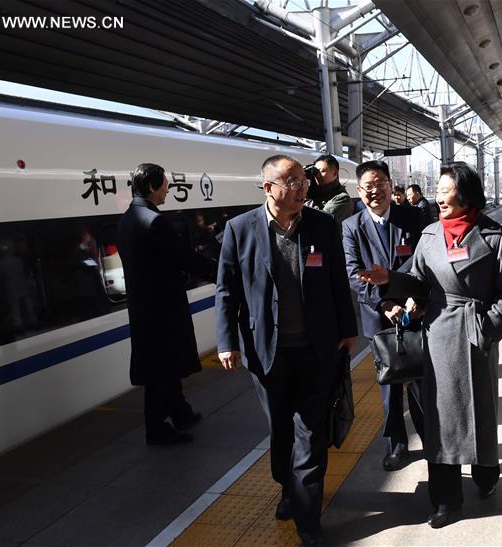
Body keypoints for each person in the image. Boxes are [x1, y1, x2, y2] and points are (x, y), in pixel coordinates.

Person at [356, 162, 502, 529]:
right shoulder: (430, 234)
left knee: (479, 410)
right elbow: (417, 281)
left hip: (475, 335)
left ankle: (485, 472)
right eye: (439, 190)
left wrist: (484, 330)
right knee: (440, 419)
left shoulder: (495, 236)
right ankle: (445, 498)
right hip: (438, 336)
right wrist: (391, 280)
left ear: (464, 193)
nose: (438, 197)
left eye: (445, 190)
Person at [215, 155, 357, 546]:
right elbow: (226, 290)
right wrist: (226, 341)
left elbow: (336, 281)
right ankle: (288, 489)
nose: (301, 187)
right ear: (268, 187)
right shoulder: (239, 229)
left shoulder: (322, 225)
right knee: (280, 431)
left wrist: (348, 329)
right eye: (291, 181)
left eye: (303, 180)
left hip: (317, 349)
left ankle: (309, 520)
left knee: (310, 434)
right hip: (267, 353)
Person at [116, 163, 217, 445]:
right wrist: (221, 273)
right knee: (161, 366)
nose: (168, 189)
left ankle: (180, 411)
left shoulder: (126, 219)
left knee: (163, 363)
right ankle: (156, 428)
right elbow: (184, 258)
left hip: (143, 306)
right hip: (163, 307)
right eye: (165, 184)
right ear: (151, 186)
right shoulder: (154, 221)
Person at [342, 160, 425, 471]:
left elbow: (422, 262)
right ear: (359, 192)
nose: (374, 191)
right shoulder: (351, 227)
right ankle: (396, 445)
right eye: (367, 186)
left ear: (392, 186)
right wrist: (384, 304)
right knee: (388, 387)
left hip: (414, 312)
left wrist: (411, 298)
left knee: (420, 382)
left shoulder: (413, 217)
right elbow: (353, 274)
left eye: (380, 183)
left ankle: (431, 439)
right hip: (380, 319)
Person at [306, 154, 354, 229]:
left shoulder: (342, 199)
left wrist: (303, 194)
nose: (317, 176)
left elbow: (318, 221)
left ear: (335, 173)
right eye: (315, 172)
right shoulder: (315, 192)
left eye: (322, 171)